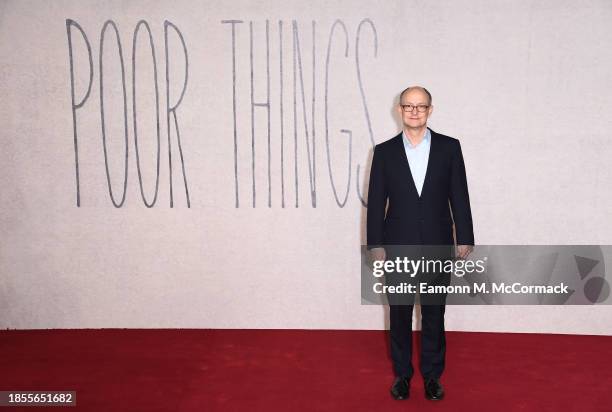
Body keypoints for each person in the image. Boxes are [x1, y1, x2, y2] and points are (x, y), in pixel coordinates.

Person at [366, 86, 474, 401]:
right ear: (399, 110)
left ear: (430, 110)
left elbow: (459, 195)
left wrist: (464, 236)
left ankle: (431, 377)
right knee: (398, 313)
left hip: (438, 243)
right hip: (397, 245)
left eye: (421, 106)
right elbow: (376, 203)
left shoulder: (449, 148)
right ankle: (402, 376)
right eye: (409, 106)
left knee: (433, 313)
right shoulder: (384, 152)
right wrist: (376, 244)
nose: (414, 111)